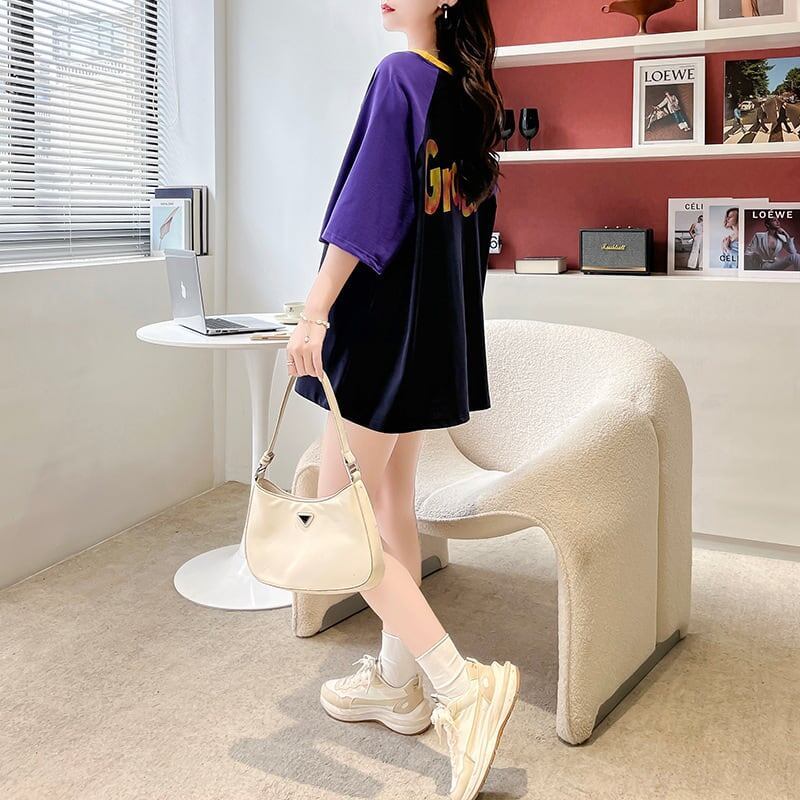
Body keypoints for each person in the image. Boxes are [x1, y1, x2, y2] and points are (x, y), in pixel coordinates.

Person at [287, 2, 520, 798]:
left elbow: (366, 209)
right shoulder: (470, 97)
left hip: (382, 333)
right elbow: (466, 239)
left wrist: (315, 310)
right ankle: (396, 684)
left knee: (333, 528)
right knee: (390, 507)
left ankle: (461, 686)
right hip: (430, 339)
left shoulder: (401, 78)